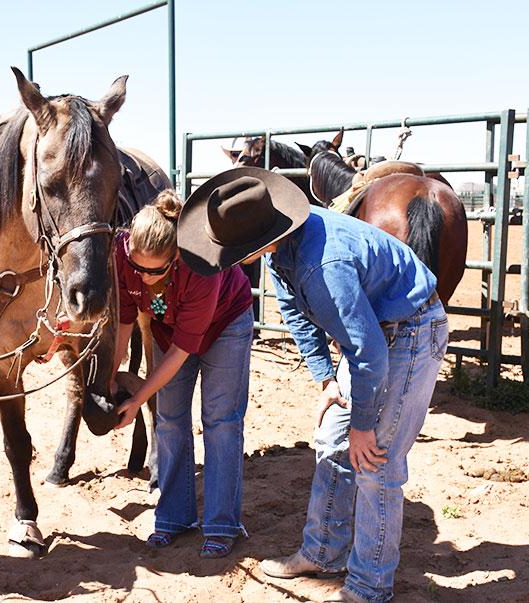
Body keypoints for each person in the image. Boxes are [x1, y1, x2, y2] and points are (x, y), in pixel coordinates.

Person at [176, 167, 448, 603]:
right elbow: (294, 309)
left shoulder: (324, 264)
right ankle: (323, 551)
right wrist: (325, 376)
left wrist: (362, 423)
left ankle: (369, 585)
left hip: (409, 331)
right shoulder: (280, 248)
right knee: (330, 440)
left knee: (375, 461)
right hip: (376, 331)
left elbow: (369, 354)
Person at [112, 189, 254, 559]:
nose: (142, 277)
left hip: (225, 324)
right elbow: (125, 321)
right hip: (168, 327)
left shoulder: (199, 265)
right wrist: (111, 378)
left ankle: (222, 524)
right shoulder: (123, 254)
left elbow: (180, 353)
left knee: (220, 420)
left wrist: (138, 397)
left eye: (153, 270)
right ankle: (174, 517)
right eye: (136, 267)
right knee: (170, 419)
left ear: (175, 256)